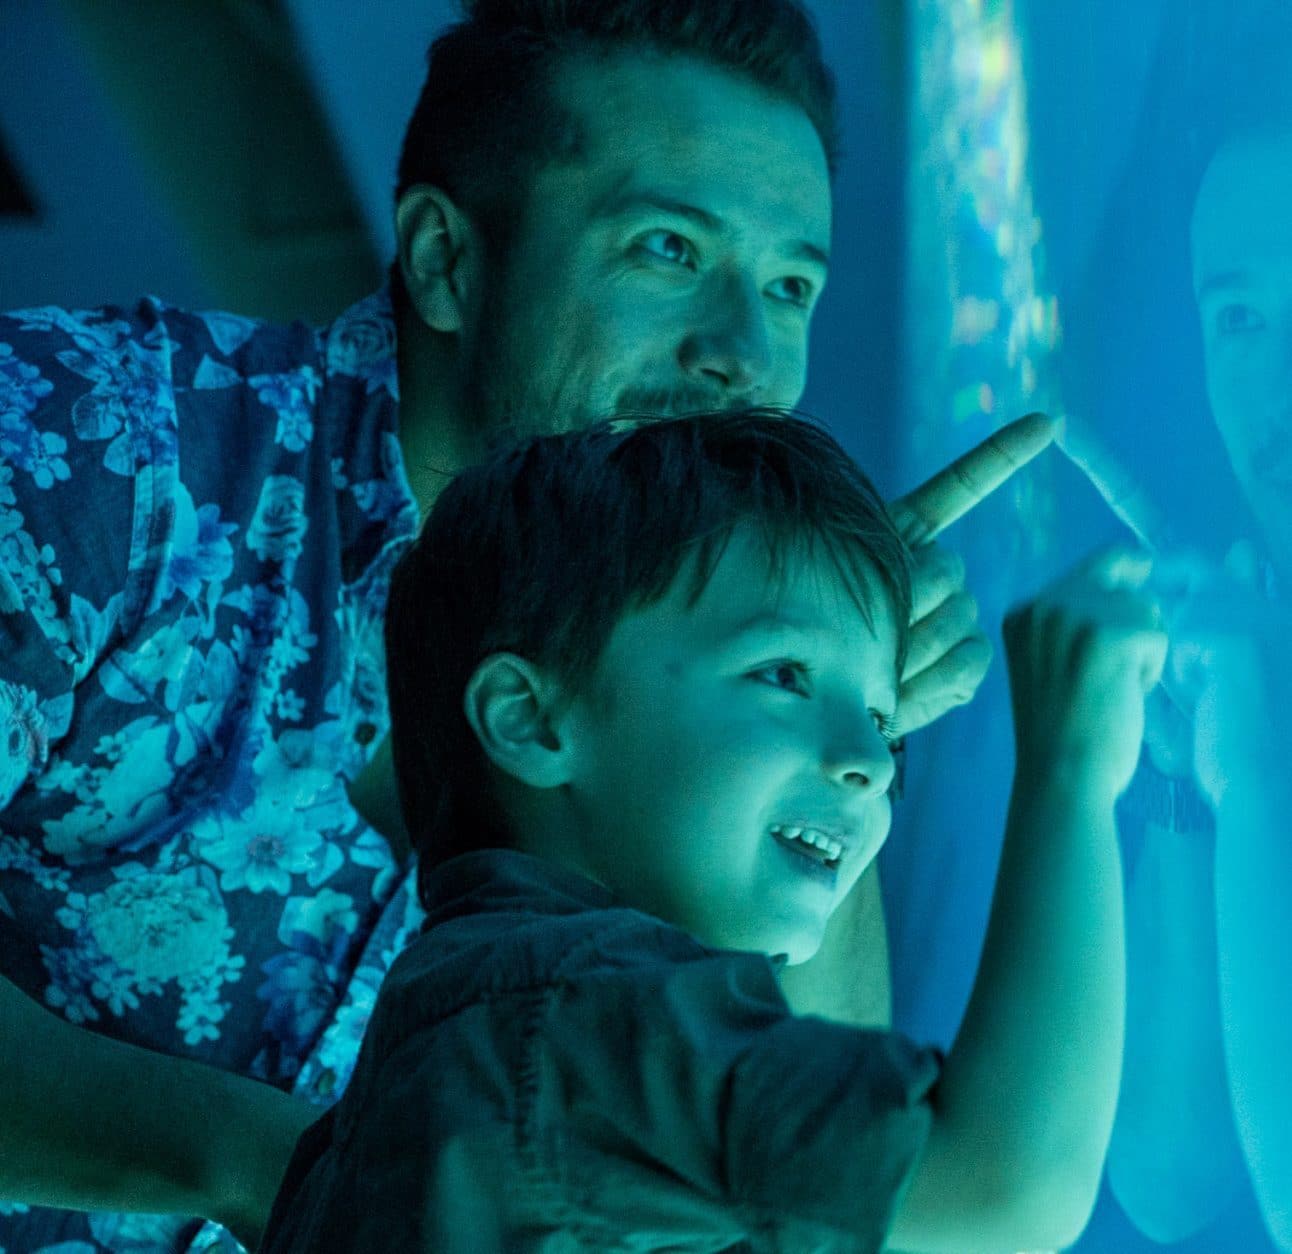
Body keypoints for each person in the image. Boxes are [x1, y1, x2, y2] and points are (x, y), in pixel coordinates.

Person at [0, 3, 1051, 1250]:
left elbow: (790, 1151)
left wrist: (819, 682)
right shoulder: (91, 443)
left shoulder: (694, 636)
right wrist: (282, 1163)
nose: (742, 354)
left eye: (787, 286)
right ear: (447, 260)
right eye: (667, 249)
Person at [252, 407, 1165, 1254]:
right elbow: (1006, 1186)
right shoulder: (578, 1019)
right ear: (531, 722)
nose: (872, 762)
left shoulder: (455, 1043)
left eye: (883, 722)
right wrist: (1071, 768)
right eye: (781, 674)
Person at [1102, 20, 1292, 1250]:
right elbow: (1170, 1187)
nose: (1276, 380)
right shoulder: (1235, 627)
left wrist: (1251, 774)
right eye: (1236, 320)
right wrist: (1183, 787)